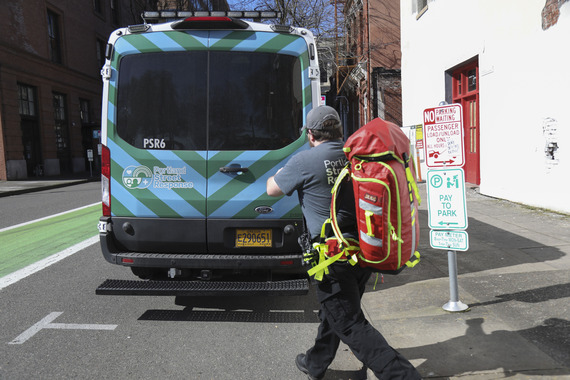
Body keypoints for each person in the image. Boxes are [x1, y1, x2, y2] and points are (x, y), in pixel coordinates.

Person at [267, 106, 421, 380]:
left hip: (331, 258)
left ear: (311, 135)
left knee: (350, 323)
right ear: (339, 130)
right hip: (362, 250)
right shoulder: (356, 155)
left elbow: (272, 189)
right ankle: (315, 362)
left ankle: (403, 375)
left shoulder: (304, 161)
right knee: (336, 310)